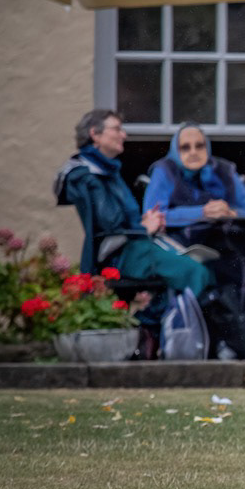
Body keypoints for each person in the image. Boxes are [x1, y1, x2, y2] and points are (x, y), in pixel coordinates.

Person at [54, 109, 217, 354]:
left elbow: (120, 218)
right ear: (95, 134)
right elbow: (109, 223)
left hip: (137, 246)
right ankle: (146, 328)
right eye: (117, 129)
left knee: (206, 268)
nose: (124, 135)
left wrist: (146, 223)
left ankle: (150, 331)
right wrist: (145, 227)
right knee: (195, 272)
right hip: (121, 254)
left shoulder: (108, 170)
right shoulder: (84, 174)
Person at [144, 122, 245, 349]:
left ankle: (243, 339)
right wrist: (201, 213)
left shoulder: (224, 170)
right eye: (185, 147)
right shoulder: (164, 170)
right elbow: (153, 215)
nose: (193, 152)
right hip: (185, 246)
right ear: (176, 151)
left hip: (228, 245)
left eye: (199, 146)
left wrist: (231, 213)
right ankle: (207, 340)